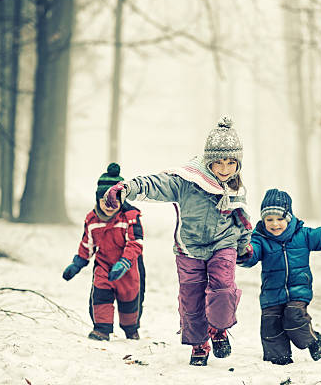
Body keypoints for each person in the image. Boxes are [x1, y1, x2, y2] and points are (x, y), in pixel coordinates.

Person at [116, 117, 252, 366]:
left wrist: (244, 245)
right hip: (188, 249)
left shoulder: (235, 188)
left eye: (231, 162)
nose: (224, 168)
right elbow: (155, 184)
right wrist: (128, 188)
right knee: (191, 298)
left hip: (223, 245)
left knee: (222, 288)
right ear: (208, 160)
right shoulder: (187, 181)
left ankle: (219, 329)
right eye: (219, 162)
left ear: (238, 163)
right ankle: (199, 343)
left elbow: (241, 218)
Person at [238, 188, 321, 365]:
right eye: (269, 219)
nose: (275, 224)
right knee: (270, 327)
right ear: (263, 220)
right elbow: (251, 255)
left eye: (280, 219)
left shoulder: (302, 235)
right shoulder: (260, 239)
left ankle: (312, 340)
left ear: (289, 217)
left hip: (298, 291)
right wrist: (243, 252)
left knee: (294, 317)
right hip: (271, 295)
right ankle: (278, 361)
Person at [62, 163, 146, 342]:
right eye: (105, 201)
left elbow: (135, 243)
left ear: (122, 201)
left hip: (128, 267)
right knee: (100, 296)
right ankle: (101, 329)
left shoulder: (130, 218)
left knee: (129, 301)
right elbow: (88, 243)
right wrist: (78, 263)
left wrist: (124, 262)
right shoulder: (92, 220)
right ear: (98, 199)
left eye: (115, 201)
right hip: (104, 265)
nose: (109, 205)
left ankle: (131, 329)